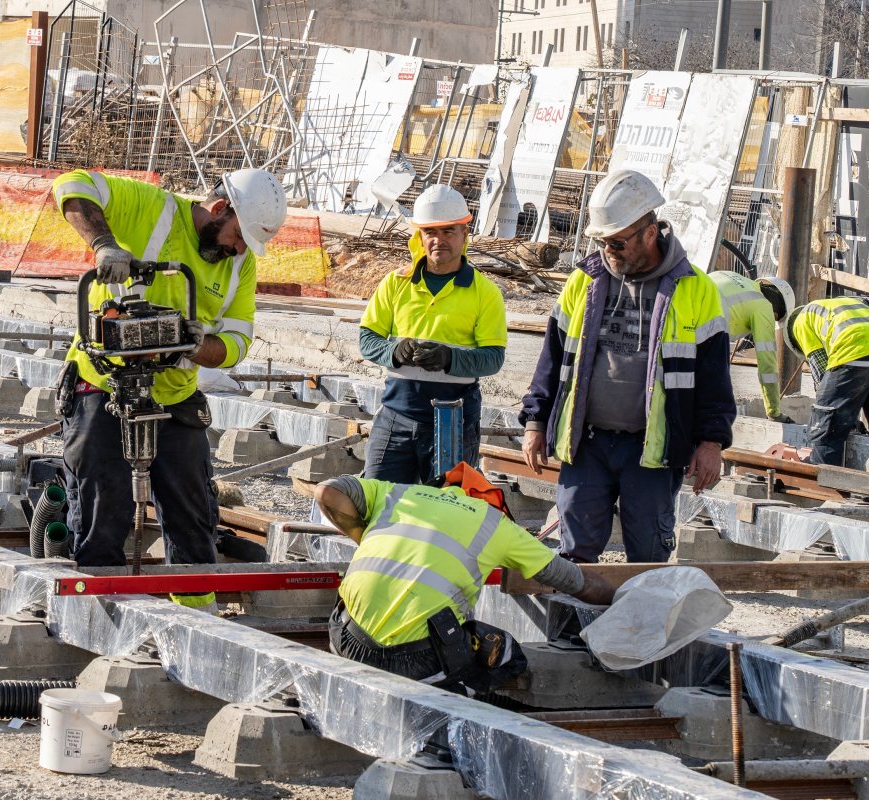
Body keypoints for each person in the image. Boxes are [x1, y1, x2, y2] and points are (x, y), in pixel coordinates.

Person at [51, 167, 287, 607]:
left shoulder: (241, 264)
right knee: (104, 505)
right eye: (237, 235)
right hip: (104, 383)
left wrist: (195, 345)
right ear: (219, 209)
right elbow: (72, 185)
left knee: (193, 516)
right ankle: (96, 612)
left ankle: (195, 620)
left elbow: (236, 342)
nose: (238, 248)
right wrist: (104, 243)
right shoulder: (153, 208)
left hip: (176, 392)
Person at [519, 169, 736, 564]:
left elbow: (714, 379)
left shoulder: (696, 289)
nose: (608, 250)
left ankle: (642, 626)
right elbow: (553, 357)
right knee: (575, 553)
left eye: (617, 241)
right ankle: (574, 627)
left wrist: (711, 442)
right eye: (602, 241)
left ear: (650, 232)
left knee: (648, 555)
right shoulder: (585, 281)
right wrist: (535, 422)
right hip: (587, 442)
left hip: (651, 450)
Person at [315, 465, 614, 694]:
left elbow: (326, 491)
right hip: (414, 662)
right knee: (503, 652)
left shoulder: (399, 494)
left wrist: (362, 536)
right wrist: (620, 596)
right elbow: (574, 581)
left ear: (442, 486)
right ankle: (449, 704)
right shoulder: (495, 523)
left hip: (346, 638)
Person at [358, 185, 508, 483]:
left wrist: (449, 358)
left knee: (444, 512)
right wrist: (393, 353)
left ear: (465, 233)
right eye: (431, 232)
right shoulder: (395, 284)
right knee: (377, 500)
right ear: (420, 237)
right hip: (396, 415)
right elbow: (367, 339)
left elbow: (493, 358)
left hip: (453, 421)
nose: (439, 240)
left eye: (449, 231)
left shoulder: (485, 293)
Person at [784, 298, 869, 466]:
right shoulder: (840, 305)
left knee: (825, 426)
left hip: (855, 349)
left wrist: (839, 419)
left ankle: (825, 483)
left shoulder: (800, 323)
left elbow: (821, 374)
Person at [708, 271, 795, 422]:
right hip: (699, 331)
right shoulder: (763, 306)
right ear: (777, 307)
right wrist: (773, 411)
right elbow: (767, 364)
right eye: (774, 318)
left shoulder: (731, 275)